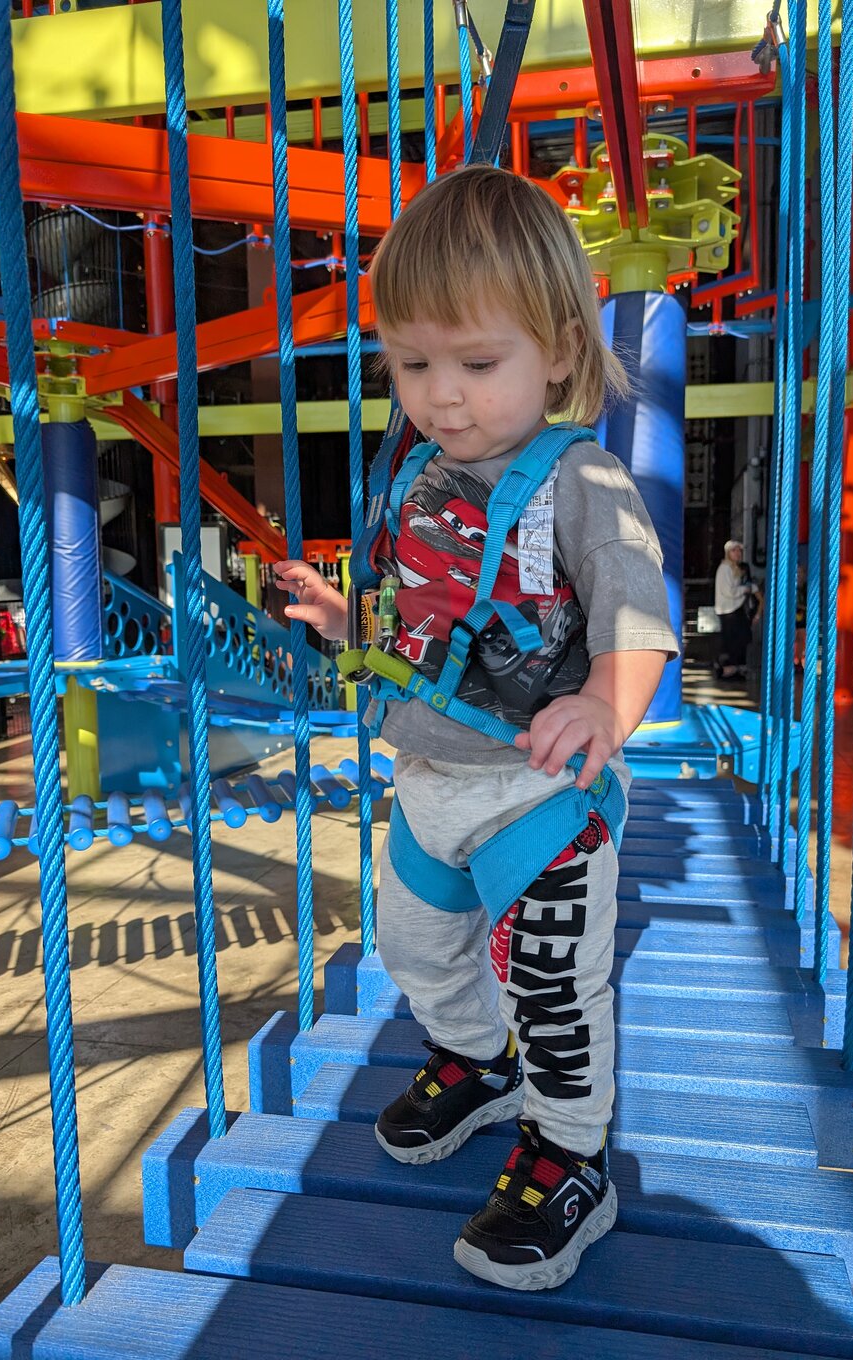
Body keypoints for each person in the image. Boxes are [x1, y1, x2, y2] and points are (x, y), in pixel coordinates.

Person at [273, 165, 677, 1291]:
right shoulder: (419, 476)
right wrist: (342, 618)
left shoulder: (582, 480)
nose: (442, 396)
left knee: (555, 991)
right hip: (430, 782)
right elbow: (426, 620)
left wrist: (605, 703)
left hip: (537, 797)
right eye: (413, 365)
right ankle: (474, 1057)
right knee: (414, 947)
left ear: (558, 349)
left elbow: (636, 616)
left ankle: (570, 1153)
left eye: (477, 364)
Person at [714, 540, 760, 679]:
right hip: (728, 611)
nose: (738, 553)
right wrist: (745, 589)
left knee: (741, 640)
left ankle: (736, 668)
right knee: (733, 642)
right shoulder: (725, 569)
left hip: (735, 609)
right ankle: (728, 669)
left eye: (739, 550)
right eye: (734, 550)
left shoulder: (735, 568)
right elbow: (729, 591)